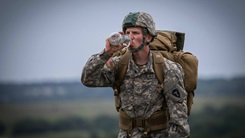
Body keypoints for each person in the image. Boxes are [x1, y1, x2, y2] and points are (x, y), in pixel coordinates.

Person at [81, 12, 190, 138]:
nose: (130, 37)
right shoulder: (119, 65)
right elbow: (88, 79)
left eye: (135, 33)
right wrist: (106, 53)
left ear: (148, 37)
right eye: (127, 33)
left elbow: (179, 121)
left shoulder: (167, 69)